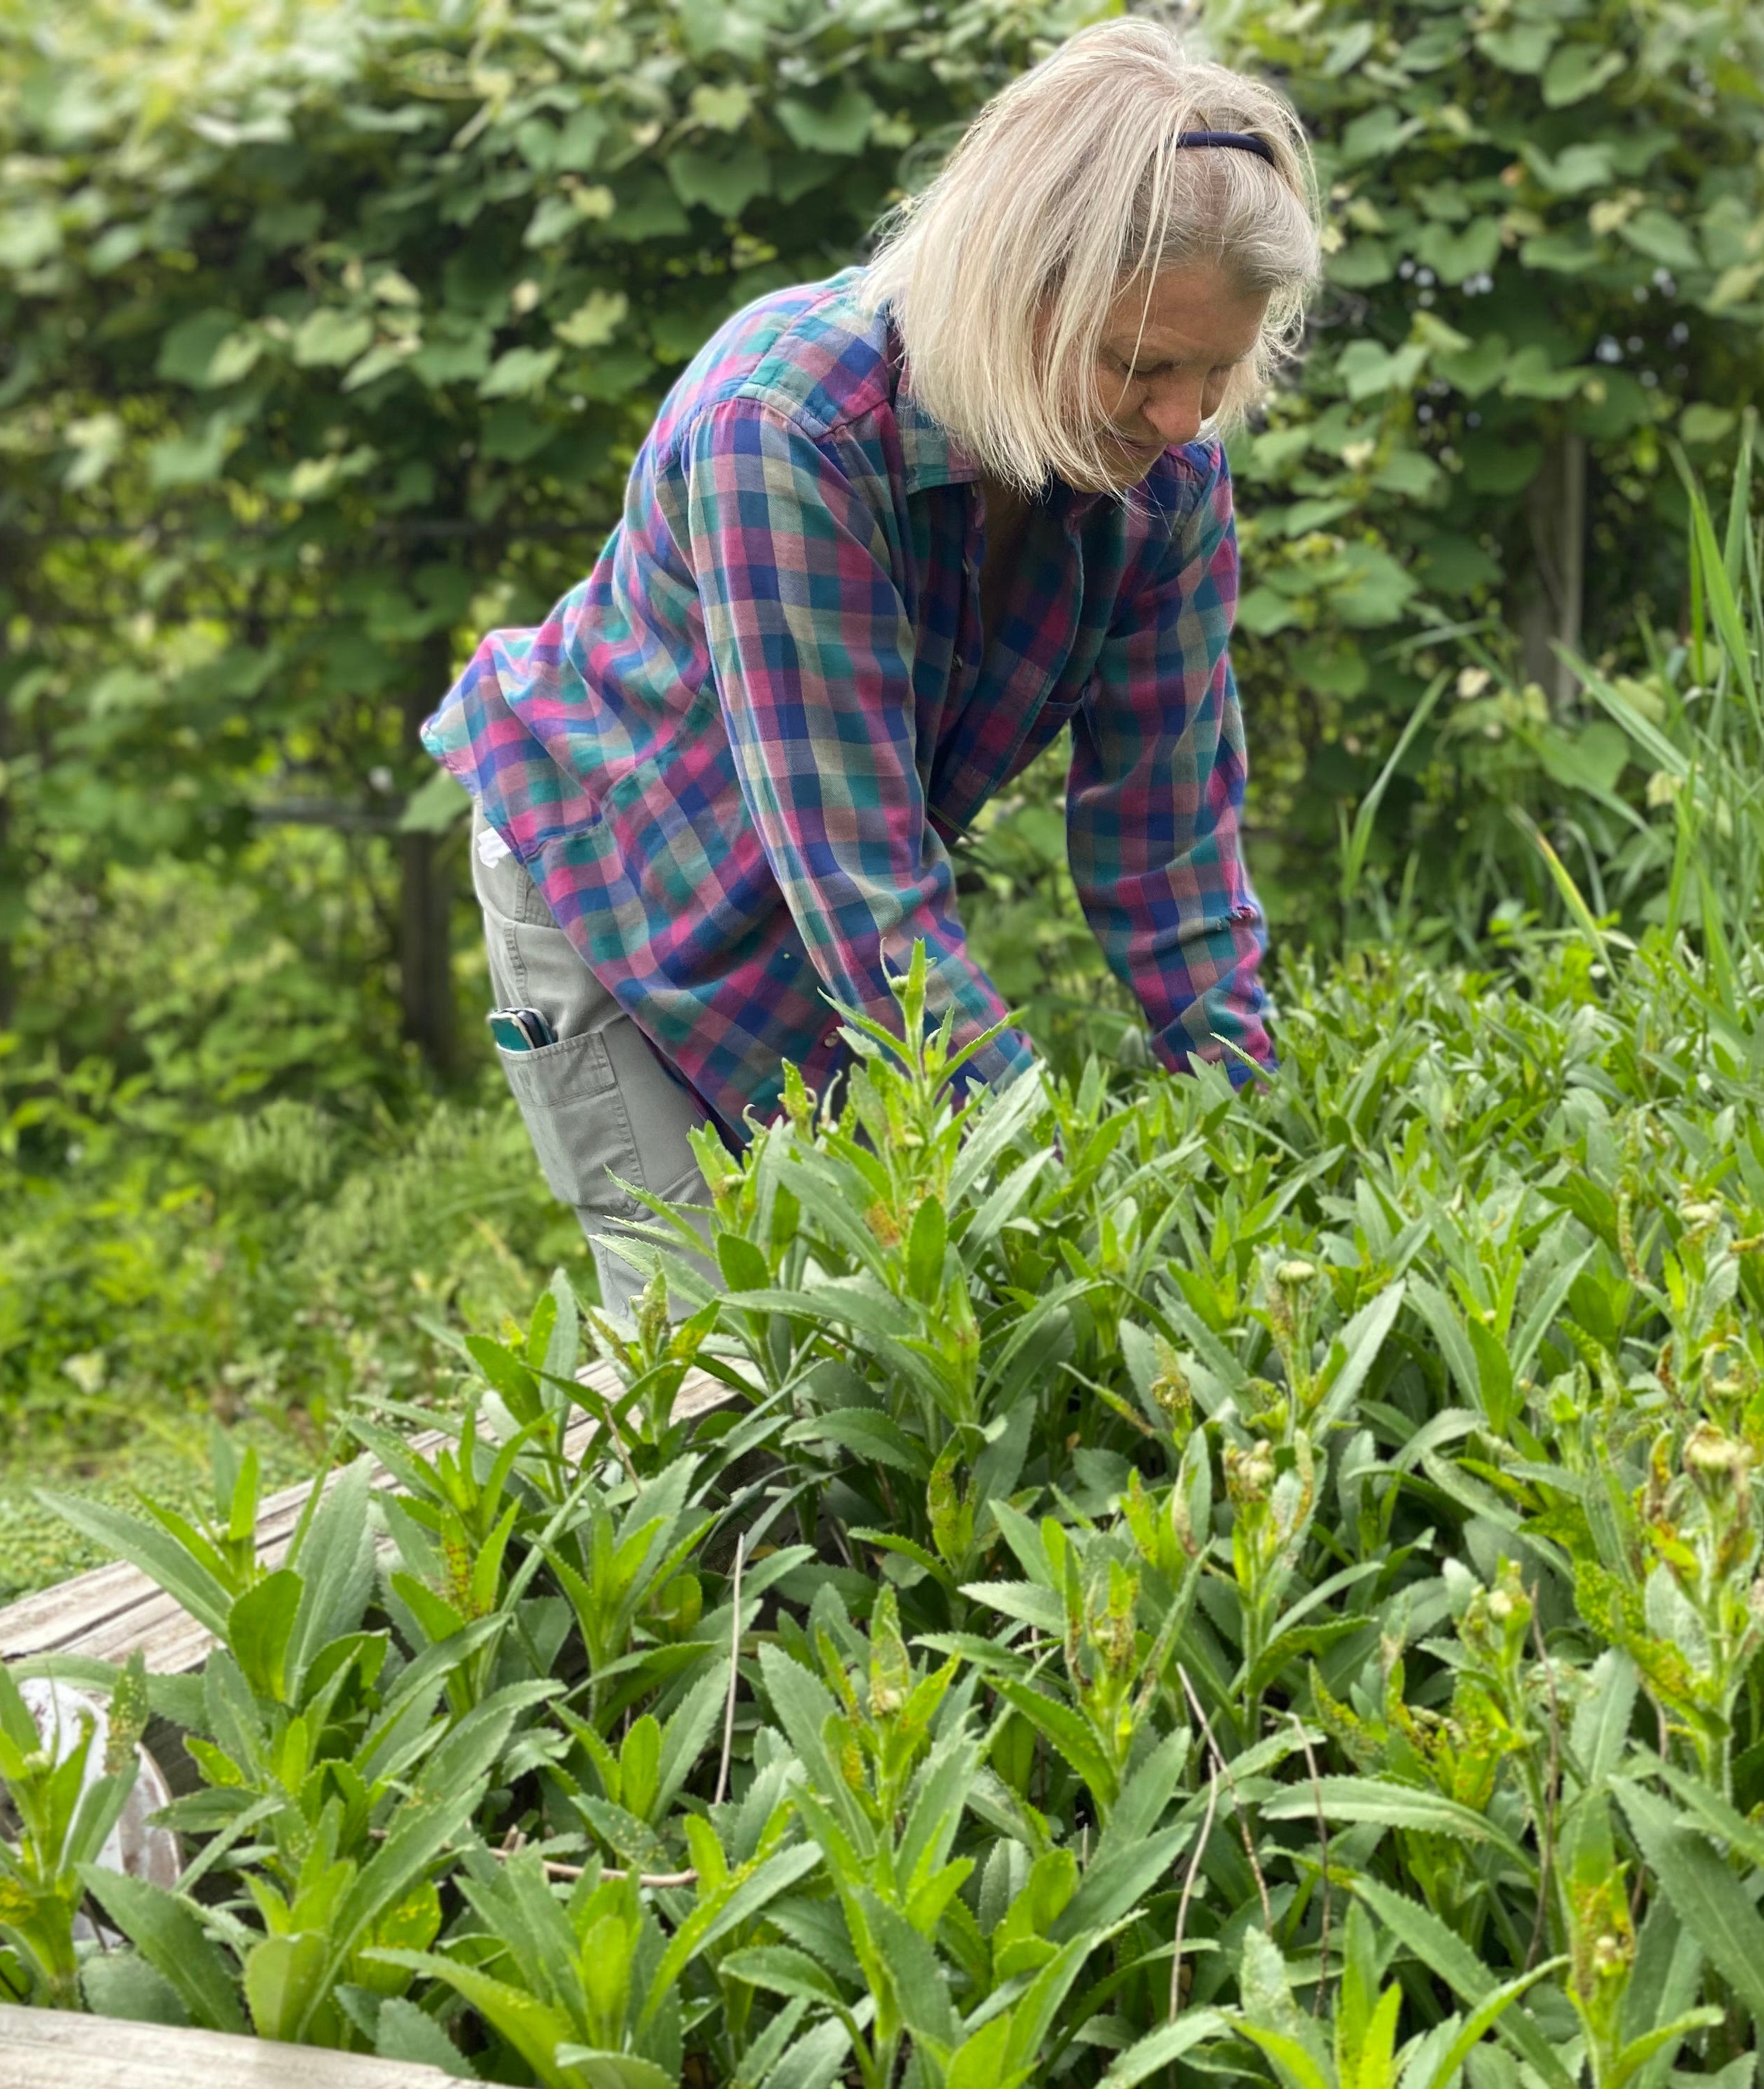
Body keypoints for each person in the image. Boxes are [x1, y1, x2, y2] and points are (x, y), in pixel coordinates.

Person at [422, 20, 1320, 1313]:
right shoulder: (787, 426)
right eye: (1142, 365)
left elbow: (1167, 841)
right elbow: (863, 882)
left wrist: (1257, 1134)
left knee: (890, 1316)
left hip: (830, 902)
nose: (1184, 418)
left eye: (1219, 369)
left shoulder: (1165, 476)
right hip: (614, 871)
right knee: (712, 1343)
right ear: (1017, 290)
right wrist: (1046, 1179)